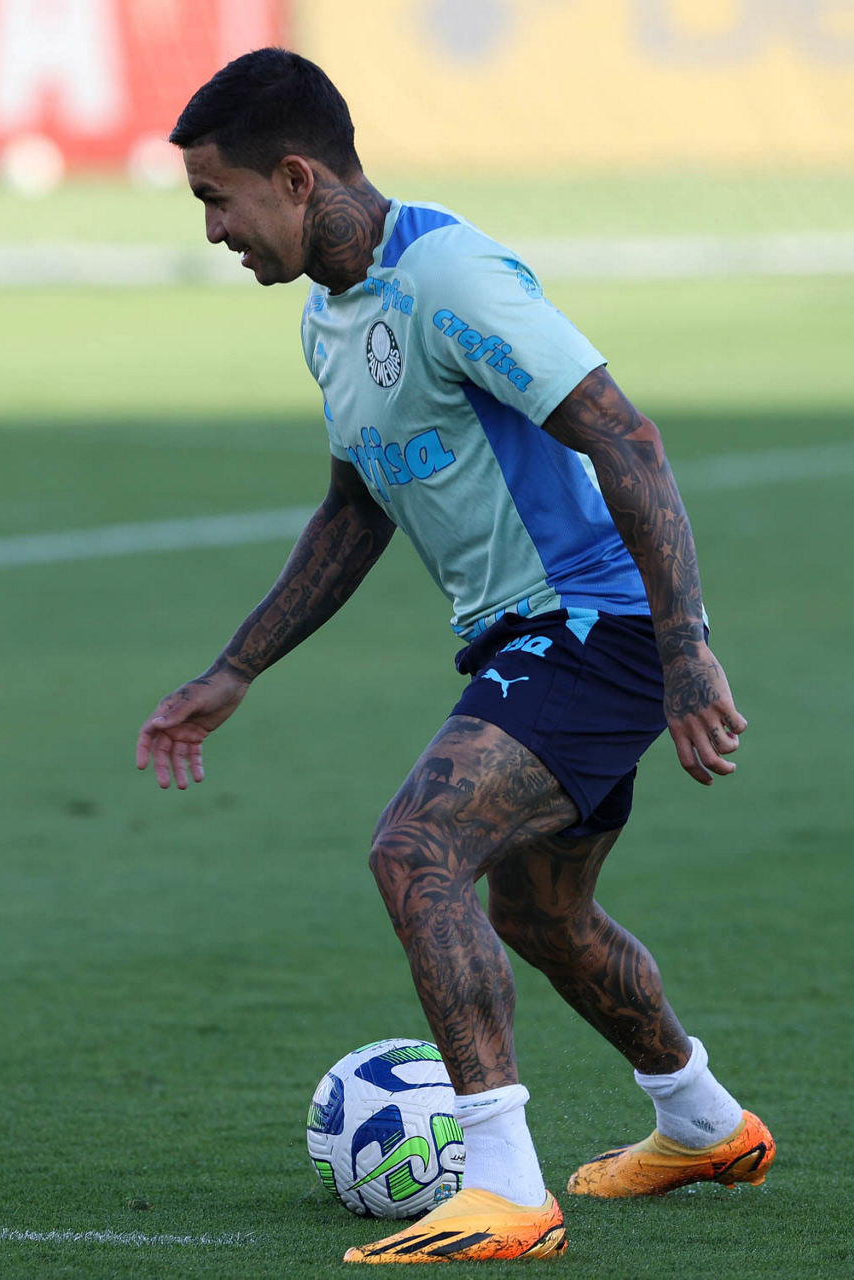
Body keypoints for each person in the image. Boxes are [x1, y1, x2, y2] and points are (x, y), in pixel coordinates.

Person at [136, 47, 775, 1265]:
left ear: (296, 177)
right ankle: (704, 1123)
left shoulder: (450, 276)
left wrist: (686, 647)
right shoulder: (330, 318)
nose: (213, 230)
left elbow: (626, 437)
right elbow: (355, 507)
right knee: (540, 910)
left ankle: (506, 1187)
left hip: (592, 623)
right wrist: (238, 666)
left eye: (218, 199)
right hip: (528, 637)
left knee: (416, 849)